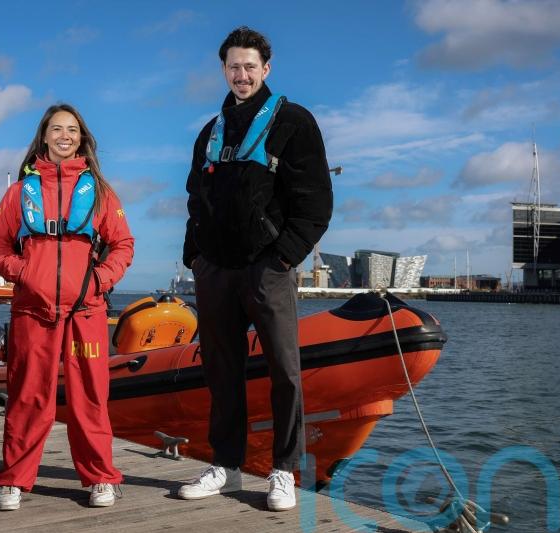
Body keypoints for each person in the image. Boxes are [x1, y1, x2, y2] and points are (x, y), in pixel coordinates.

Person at [179, 27, 333, 511]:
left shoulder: (294, 122)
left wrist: (283, 255)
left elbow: (315, 204)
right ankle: (225, 465)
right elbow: (194, 198)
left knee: (285, 372)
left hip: (267, 269)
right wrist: (195, 257)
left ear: (267, 69)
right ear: (223, 70)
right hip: (215, 270)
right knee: (221, 370)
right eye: (233, 67)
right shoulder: (211, 130)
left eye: (250, 67)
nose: (241, 75)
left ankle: (283, 470)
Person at [0, 103, 134, 511]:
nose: (64, 136)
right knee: (27, 397)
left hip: (86, 314)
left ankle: (100, 478)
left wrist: (100, 281)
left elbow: (123, 244)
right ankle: (14, 479)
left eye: (72, 130)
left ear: (81, 138)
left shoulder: (101, 192)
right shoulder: (19, 193)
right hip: (33, 312)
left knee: (90, 397)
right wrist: (23, 272)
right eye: (57, 129)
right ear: (44, 135)